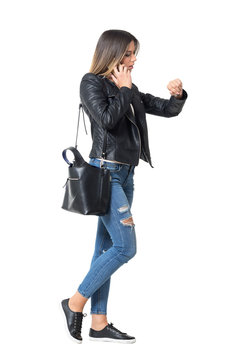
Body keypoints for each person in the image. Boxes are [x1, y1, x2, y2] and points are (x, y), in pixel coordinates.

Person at [61, 29, 188, 344]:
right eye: (129, 54)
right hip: (105, 174)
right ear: (113, 54)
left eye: (135, 54)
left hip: (127, 175)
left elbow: (167, 109)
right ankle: (75, 302)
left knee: (105, 248)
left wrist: (177, 95)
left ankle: (99, 323)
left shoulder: (128, 89)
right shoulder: (91, 82)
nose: (133, 60)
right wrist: (124, 90)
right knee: (125, 247)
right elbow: (106, 120)